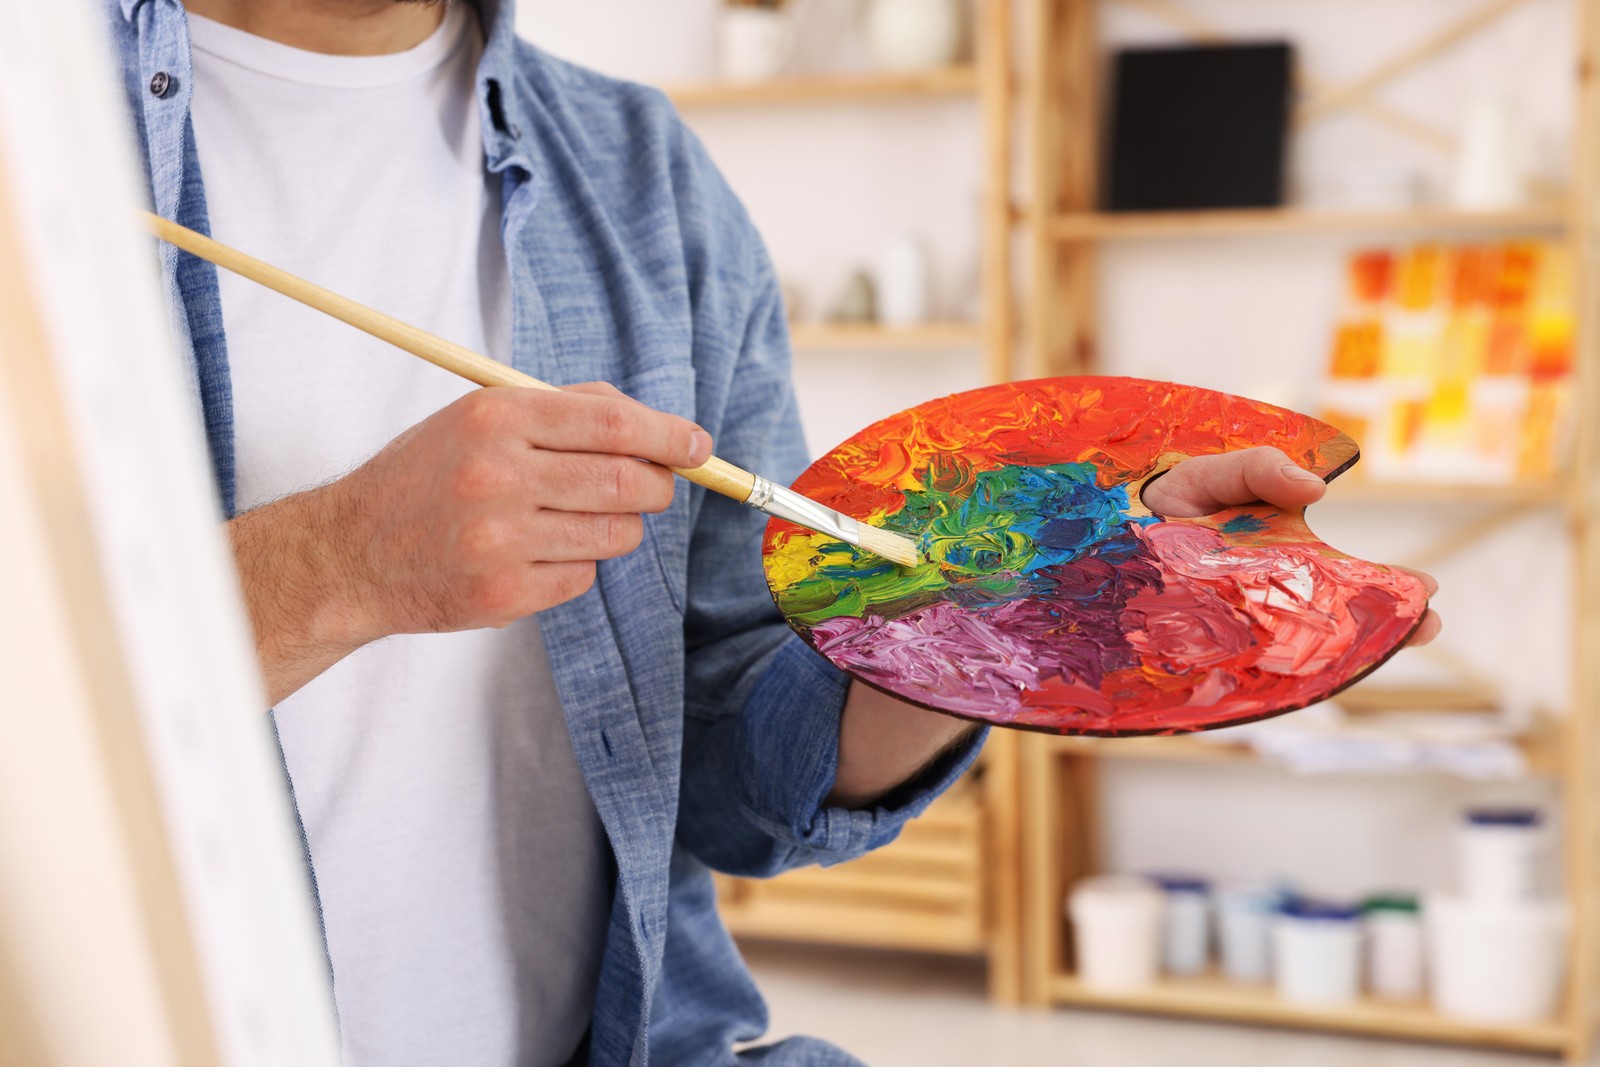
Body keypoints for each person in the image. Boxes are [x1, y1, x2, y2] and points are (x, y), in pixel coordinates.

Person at [106, 1, 1440, 1063]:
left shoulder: (641, 173)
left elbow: (738, 777)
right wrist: (336, 565)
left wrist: (997, 623)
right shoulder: (46, 138)